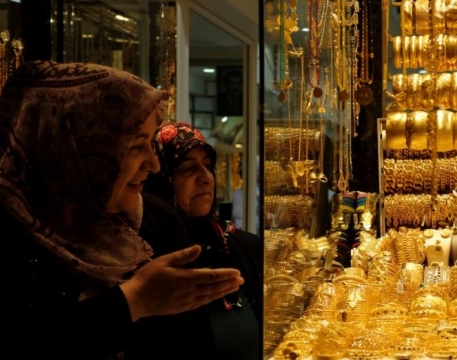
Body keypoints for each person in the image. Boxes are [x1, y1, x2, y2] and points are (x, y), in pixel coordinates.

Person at [0, 61, 244, 359]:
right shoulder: (12, 231)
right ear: (71, 148)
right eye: (136, 146)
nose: (153, 165)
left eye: (151, 145)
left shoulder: (154, 219)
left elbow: (194, 343)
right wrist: (132, 301)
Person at [145, 121, 261, 360]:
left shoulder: (236, 246)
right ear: (163, 179)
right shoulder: (147, 258)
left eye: (208, 166)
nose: (206, 178)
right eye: (189, 169)